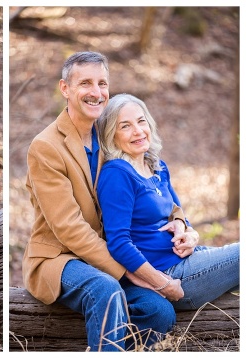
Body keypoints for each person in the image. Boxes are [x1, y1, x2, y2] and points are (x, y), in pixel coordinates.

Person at [22, 52, 186, 351]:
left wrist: (180, 220)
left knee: (160, 312)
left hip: (109, 255)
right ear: (65, 89)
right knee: (105, 289)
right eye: (85, 83)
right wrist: (132, 271)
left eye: (102, 83)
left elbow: (151, 178)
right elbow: (68, 228)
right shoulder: (46, 147)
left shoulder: (109, 130)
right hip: (61, 258)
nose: (96, 93)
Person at [95, 93, 239, 311]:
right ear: (111, 135)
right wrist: (162, 283)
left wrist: (190, 235)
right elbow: (118, 243)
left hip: (189, 260)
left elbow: (180, 216)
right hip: (170, 276)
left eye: (141, 121)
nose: (138, 131)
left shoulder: (157, 166)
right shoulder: (117, 174)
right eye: (125, 126)